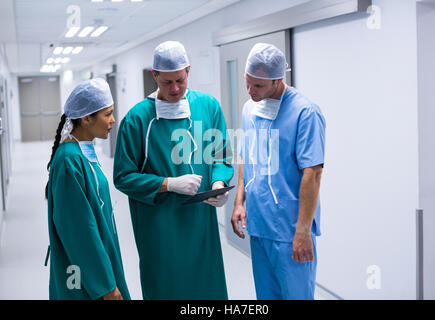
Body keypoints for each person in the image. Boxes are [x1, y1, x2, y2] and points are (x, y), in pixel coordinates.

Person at [113, 41, 233, 300]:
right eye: (167, 82)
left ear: (188, 71)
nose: (175, 88)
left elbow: (220, 156)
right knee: (166, 287)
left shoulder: (208, 107)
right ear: (154, 75)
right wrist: (167, 183)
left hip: (201, 224)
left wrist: (219, 185)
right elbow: (123, 177)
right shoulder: (137, 120)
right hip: (160, 226)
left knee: (206, 288)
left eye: (180, 80)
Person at [231, 43, 326, 300]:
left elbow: (312, 174)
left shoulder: (305, 112)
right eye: (247, 83)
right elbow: (245, 157)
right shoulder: (249, 109)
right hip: (259, 224)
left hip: (290, 229)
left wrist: (303, 232)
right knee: (266, 296)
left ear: (278, 80)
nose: (250, 91)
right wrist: (239, 202)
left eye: (258, 86)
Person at [46, 78, 131, 300]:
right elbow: (78, 231)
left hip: (100, 257)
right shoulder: (69, 161)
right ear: (86, 118)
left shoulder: (84, 151)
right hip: (85, 272)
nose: (113, 120)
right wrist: (105, 287)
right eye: (107, 114)